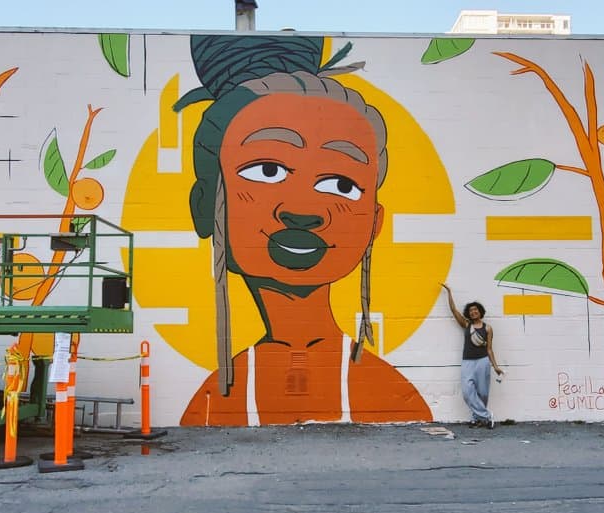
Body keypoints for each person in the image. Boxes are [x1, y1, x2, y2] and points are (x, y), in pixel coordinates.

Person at [177, 36, 431, 426]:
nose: (302, 210)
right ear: (203, 207)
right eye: (267, 171)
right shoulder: (210, 401)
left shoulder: (393, 395)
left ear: (373, 223)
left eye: (341, 184)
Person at [442, 284, 503, 428]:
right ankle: (487, 416)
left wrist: (495, 366)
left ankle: (477, 419)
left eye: (476, 309)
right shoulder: (466, 324)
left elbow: (489, 349)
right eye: (471, 310)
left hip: (483, 362)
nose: (473, 312)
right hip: (468, 362)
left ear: (480, 312)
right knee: (467, 392)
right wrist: (449, 292)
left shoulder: (488, 328)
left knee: (482, 393)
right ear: (468, 314)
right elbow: (453, 310)